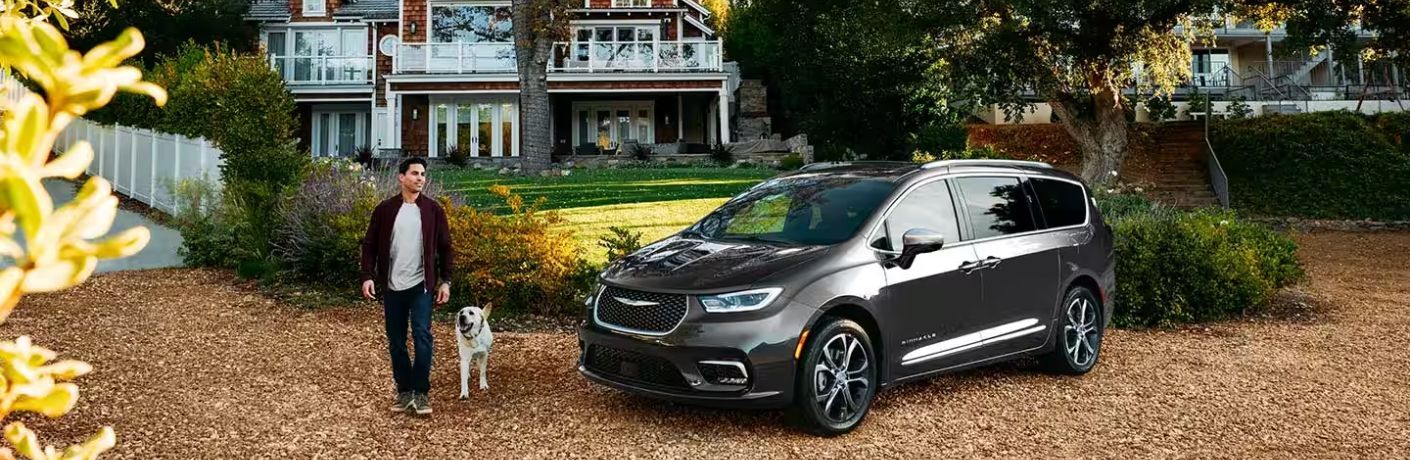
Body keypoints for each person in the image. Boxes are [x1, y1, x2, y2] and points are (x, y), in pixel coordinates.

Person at [360, 157, 452, 416]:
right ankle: (404, 391)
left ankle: (421, 393)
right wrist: (367, 276)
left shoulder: (433, 211)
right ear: (401, 177)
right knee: (396, 341)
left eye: (423, 174)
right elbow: (369, 245)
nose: (420, 178)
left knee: (423, 337)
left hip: (421, 286)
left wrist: (446, 281)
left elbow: (446, 248)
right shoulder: (385, 210)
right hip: (392, 287)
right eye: (414, 173)